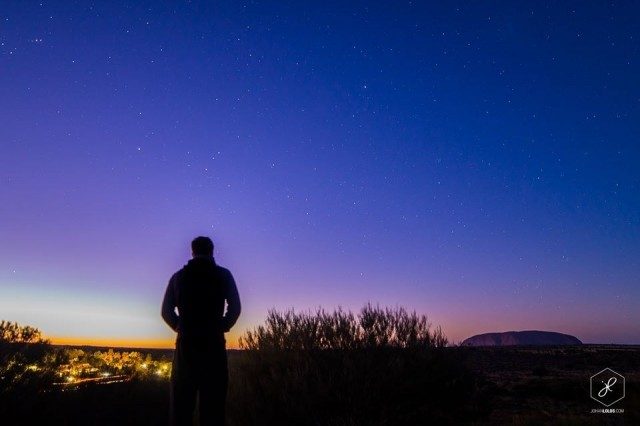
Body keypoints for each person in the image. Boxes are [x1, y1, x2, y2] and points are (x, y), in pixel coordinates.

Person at [162, 236, 241, 426]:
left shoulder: (178, 277)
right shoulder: (223, 275)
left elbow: (166, 311)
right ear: (212, 251)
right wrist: (222, 325)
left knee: (181, 408)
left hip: (186, 348)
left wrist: (179, 326)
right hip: (213, 348)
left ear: (192, 251)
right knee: (213, 409)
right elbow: (235, 307)